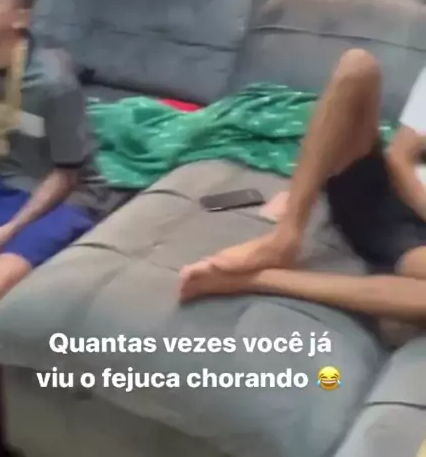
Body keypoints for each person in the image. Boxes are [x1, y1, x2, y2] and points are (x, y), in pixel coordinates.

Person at [0, 0, 107, 457]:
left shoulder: (54, 82)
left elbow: (67, 173)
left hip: (60, 192)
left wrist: (5, 233)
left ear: (20, 18)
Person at [179, 49, 426, 326]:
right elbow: (400, 157)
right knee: (358, 65)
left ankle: (259, 279)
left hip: (409, 240)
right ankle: (285, 239)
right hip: (391, 193)